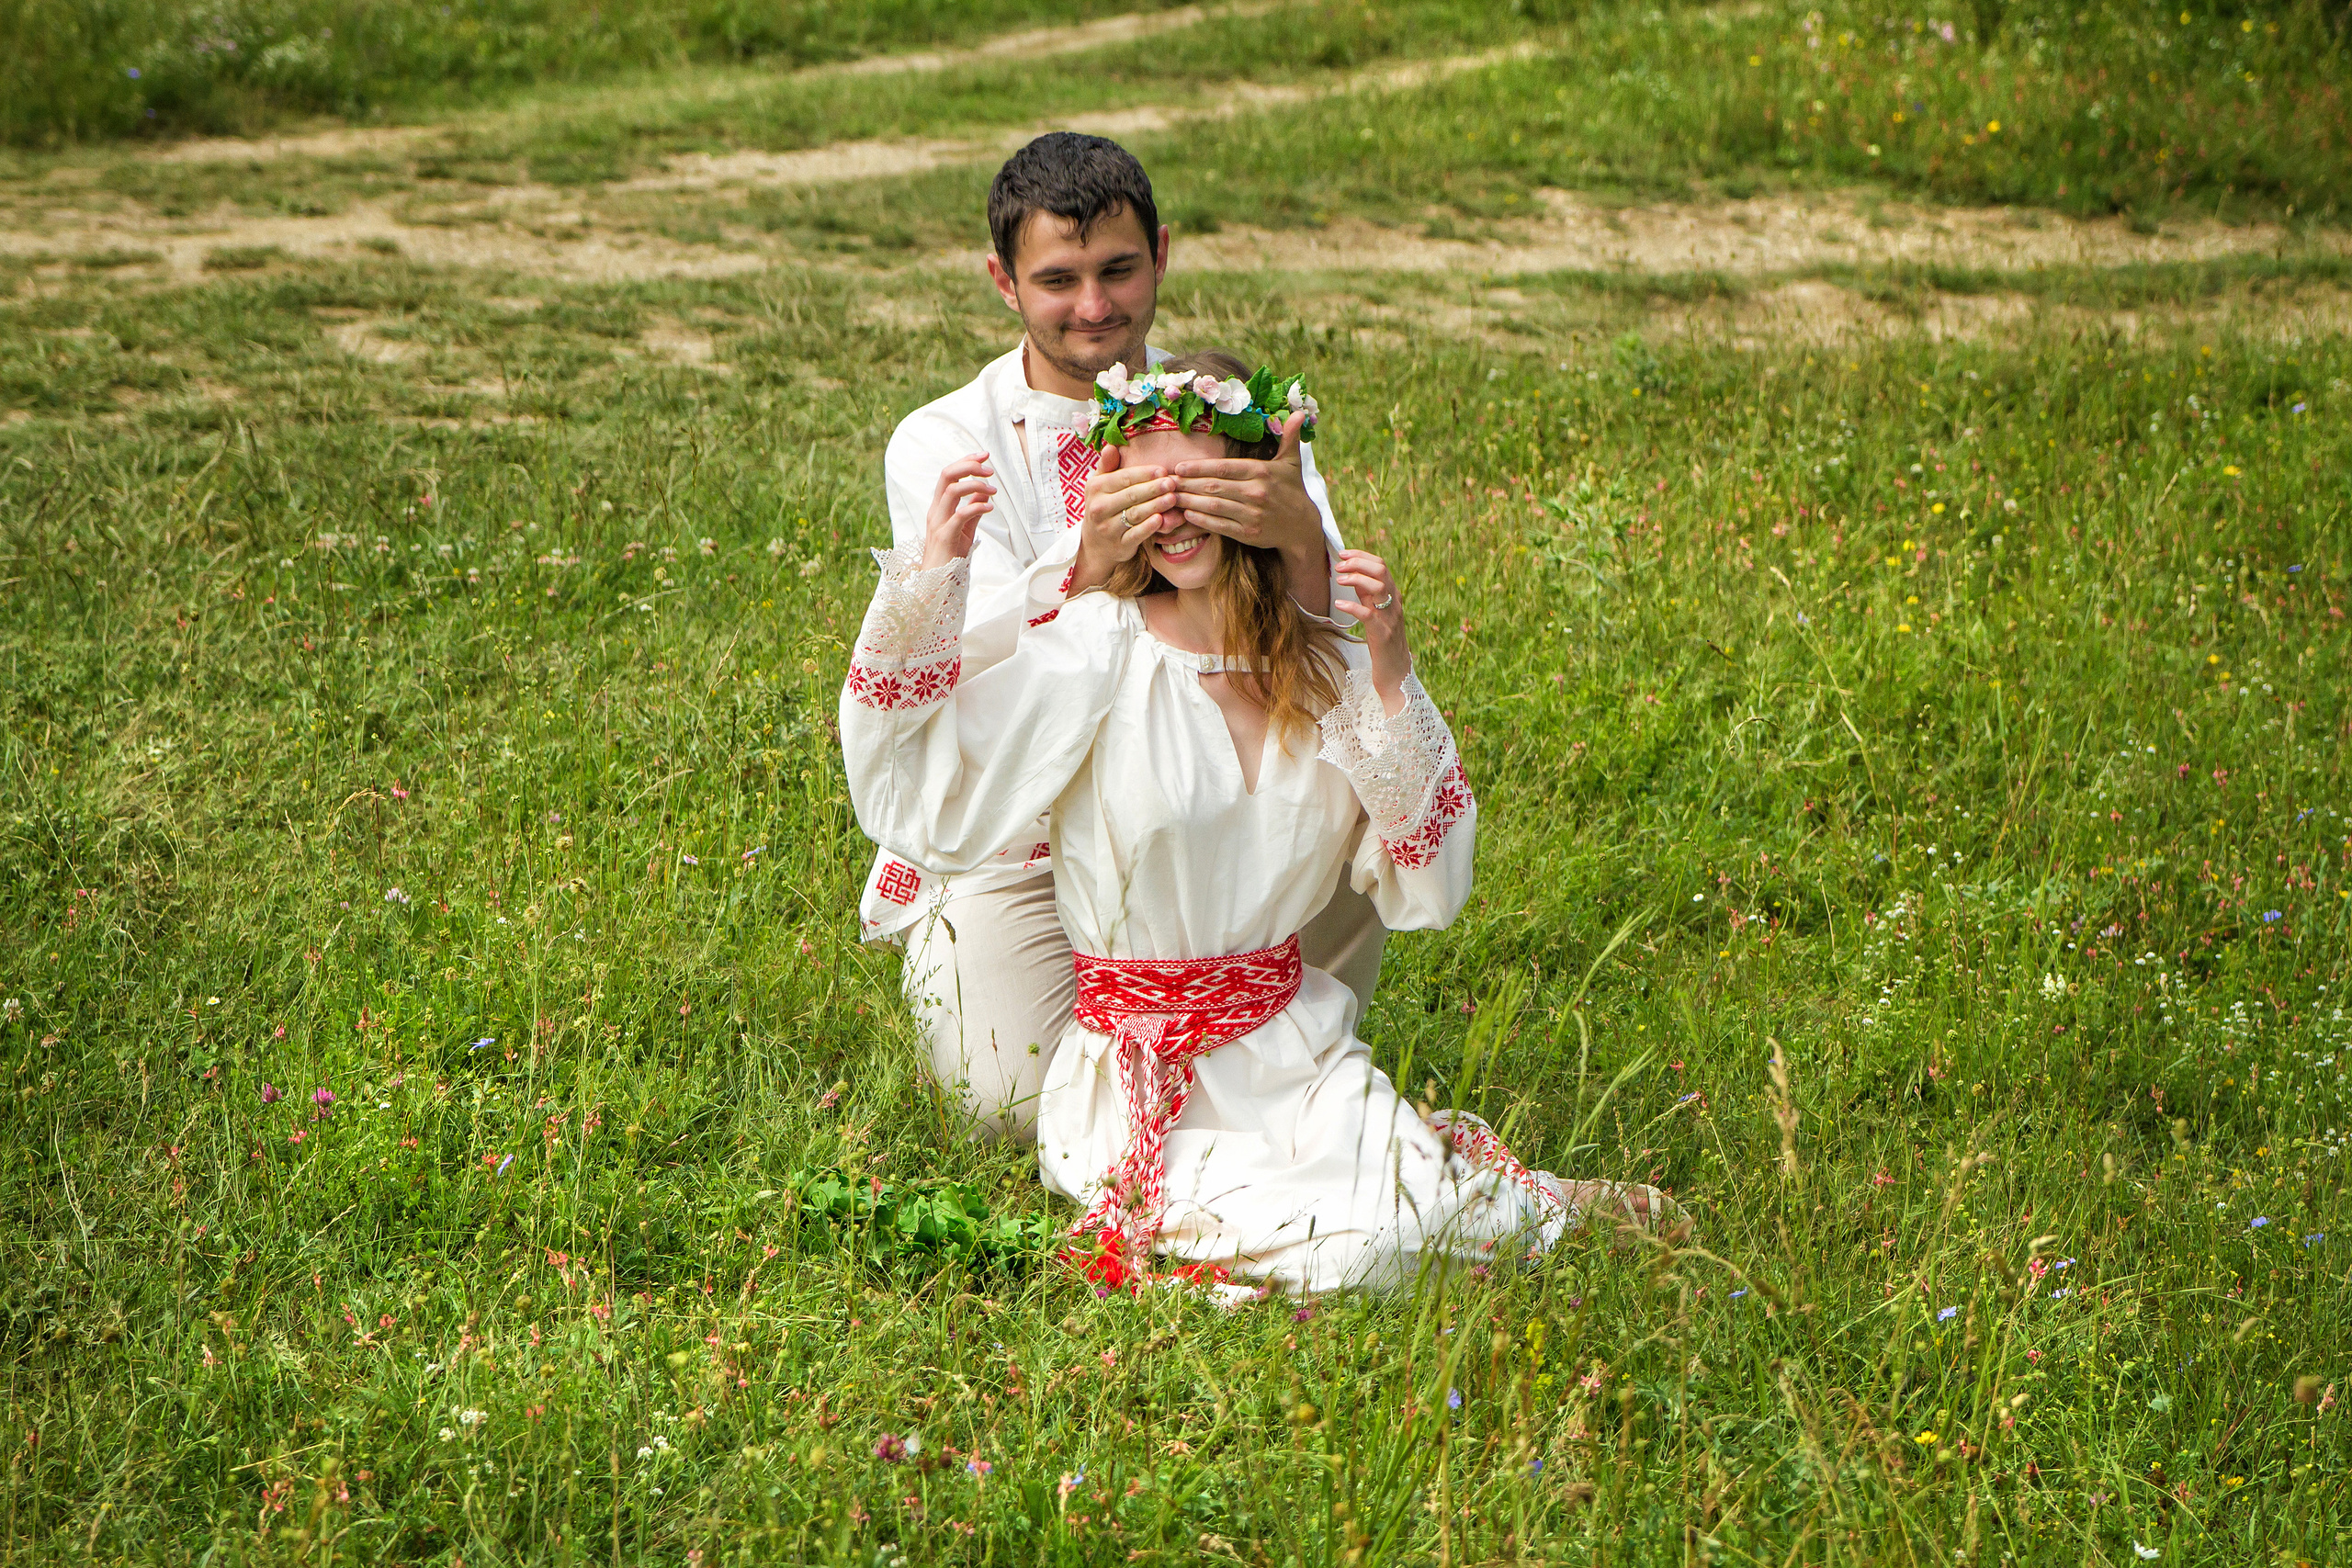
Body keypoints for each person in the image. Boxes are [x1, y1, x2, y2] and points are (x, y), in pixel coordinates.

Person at [842, 355, 1664, 1294]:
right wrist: (931, 580)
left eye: (1203, 486)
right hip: (1140, 1084)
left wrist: (1387, 677)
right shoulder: (1091, 652)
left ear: (1262, 494)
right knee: (1353, 1249)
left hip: (1295, 1052)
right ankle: (1485, 1208)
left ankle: (1513, 1200)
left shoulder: (1321, 674)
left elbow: (1430, 883)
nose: (1175, 514)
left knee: (1401, 1215)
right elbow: (921, 793)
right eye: (1147, 489)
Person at [862, 132, 1384, 1145]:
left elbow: (1330, 652)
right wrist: (1084, 563)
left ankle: (1282, 1065)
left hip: (1215, 808)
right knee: (1009, 1109)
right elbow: (960, 669)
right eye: (1057, 279)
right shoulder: (943, 439)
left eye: (1119, 270)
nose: (1094, 306)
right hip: (1022, 823)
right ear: (1002, 282)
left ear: (1163, 255)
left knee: (1362, 783)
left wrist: (1299, 547)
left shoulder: (1235, 415)